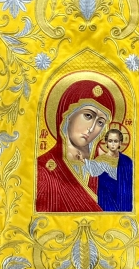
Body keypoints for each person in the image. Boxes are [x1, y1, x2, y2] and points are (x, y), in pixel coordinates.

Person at [36, 74, 126, 212]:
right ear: (67, 115)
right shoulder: (42, 170)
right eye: (88, 115)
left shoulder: (106, 168)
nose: (91, 129)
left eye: (100, 122)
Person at [96, 129, 133, 212]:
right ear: (106, 142)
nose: (113, 144)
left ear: (120, 143)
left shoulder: (127, 161)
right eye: (110, 141)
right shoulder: (99, 160)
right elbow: (95, 185)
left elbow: (130, 184)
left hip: (123, 201)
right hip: (105, 201)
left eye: (115, 141)